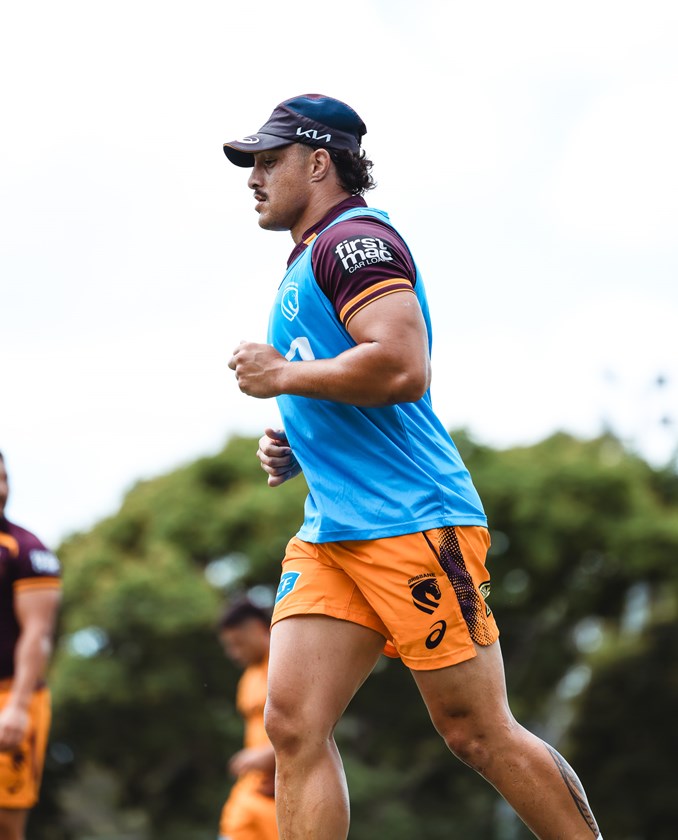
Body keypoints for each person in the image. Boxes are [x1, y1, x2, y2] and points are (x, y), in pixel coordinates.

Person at [223, 94, 602, 840]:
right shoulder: (310, 256)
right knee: (292, 725)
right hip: (332, 533)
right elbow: (351, 376)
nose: (253, 178)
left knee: (476, 732)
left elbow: (400, 366)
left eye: (269, 161)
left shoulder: (354, 242)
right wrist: (305, 439)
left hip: (412, 522)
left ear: (319, 163)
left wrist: (283, 376)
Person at [0, 452, 62, 840]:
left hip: (10, 696)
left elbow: (37, 633)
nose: (1, 489)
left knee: (5, 823)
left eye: (4, 479)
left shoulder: (25, 549)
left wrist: (18, 707)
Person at [217, 598, 278, 840]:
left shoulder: (288, 663)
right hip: (253, 787)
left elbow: (316, 723)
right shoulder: (248, 678)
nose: (233, 654)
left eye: (238, 644)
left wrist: (274, 756)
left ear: (258, 629)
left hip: (283, 789)